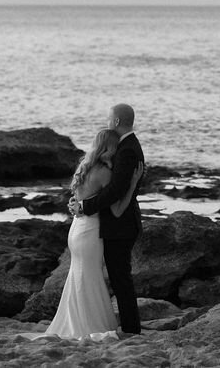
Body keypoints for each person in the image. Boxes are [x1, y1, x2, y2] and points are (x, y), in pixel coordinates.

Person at [43, 129, 125, 340]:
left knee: (79, 274)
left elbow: (77, 200)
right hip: (90, 230)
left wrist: (77, 206)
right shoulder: (105, 173)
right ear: (110, 148)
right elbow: (115, 209)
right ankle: (89, 325)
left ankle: (76, 322)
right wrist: (131, 184)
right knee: (90, 276)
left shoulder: (84, 167)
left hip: (77, 228)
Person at [72, 103, 145, 335]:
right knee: (117, 276)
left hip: (120, 224)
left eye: (108, 118)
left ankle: (132, 329)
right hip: (112, 222)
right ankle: (128, 326)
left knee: (120, 278)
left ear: (115, 122)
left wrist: (84, 206)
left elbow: (114, 192)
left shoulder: (127, 150)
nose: (106, 121)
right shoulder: (125, 148)